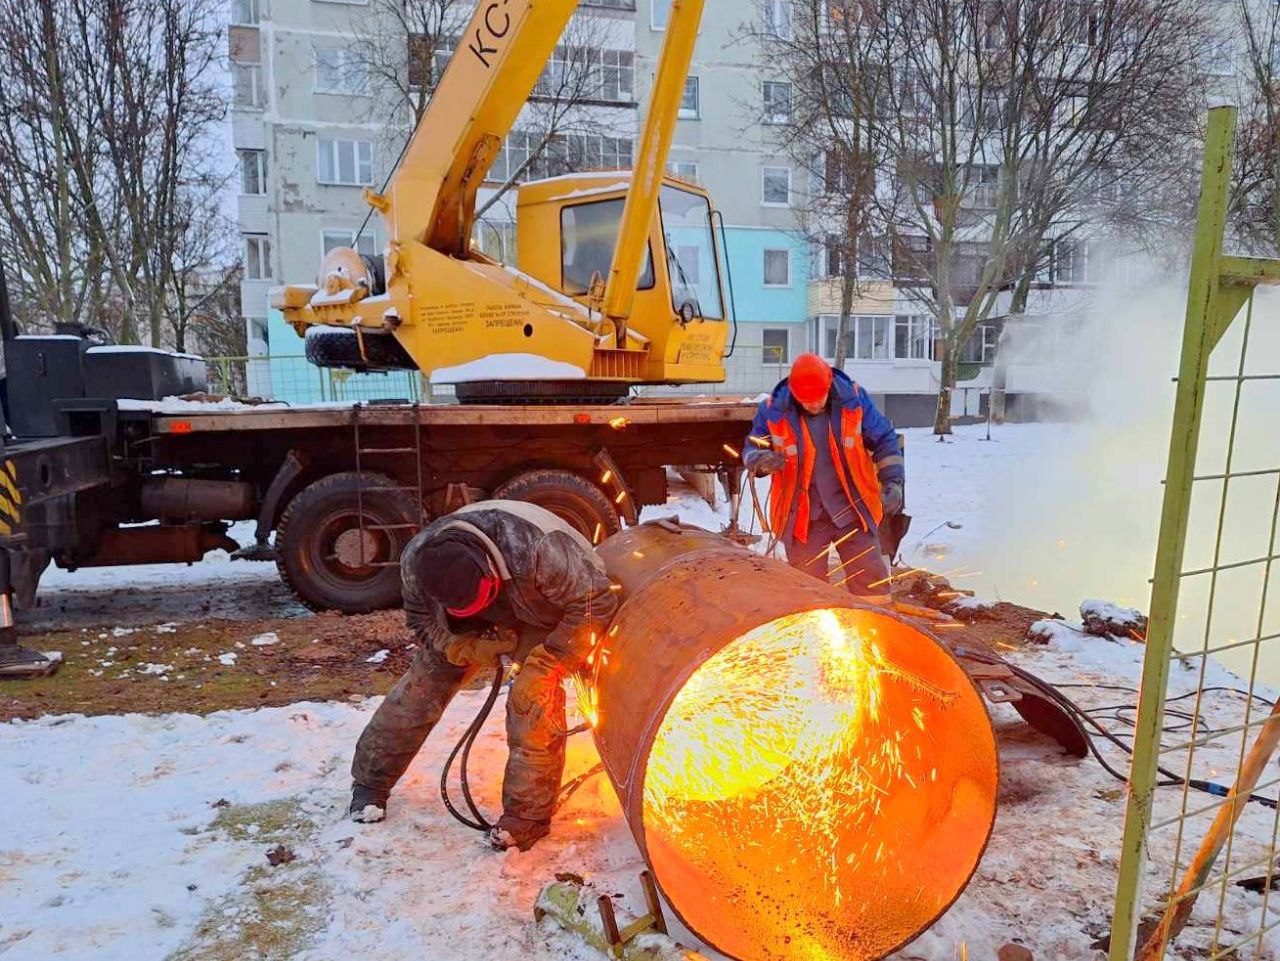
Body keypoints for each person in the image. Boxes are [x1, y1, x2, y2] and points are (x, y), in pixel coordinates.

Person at [348, 500, 619, 852]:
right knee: (420, 688)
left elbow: (594, 604)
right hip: (472, 625)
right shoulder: (418, 560)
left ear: (489, 570)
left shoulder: (542, 550)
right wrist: (457, 646)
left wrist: (550, 661)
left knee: (531, 697)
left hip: (547, 615)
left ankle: (526, 818)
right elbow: (420, 617)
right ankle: (370, 782)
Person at [742, 353, 905, 603]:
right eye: (806, 402)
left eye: (818, 399)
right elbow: (750, 449)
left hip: (853, 511)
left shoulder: (854, 402)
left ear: (829, 384)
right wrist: (760, 461)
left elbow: (884, 439)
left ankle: (879, 630)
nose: (814, 406)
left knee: (871, 582)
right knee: (808, 591)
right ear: (794, 394)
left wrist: (893, 482)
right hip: (804, 518)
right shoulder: (772, 411)